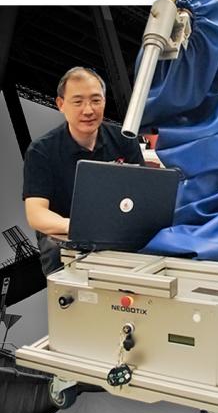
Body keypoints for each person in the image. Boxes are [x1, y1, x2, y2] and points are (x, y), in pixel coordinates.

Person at [21, 67, 145, 275]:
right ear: (61, 104)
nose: (88, 110)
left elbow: (142, 193)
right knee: (55, 251)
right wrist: (82, 226)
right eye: (78, 102)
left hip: (117, 227)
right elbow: (36, 215)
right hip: (66, 232)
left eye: (96, 100)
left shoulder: (124, 139)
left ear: (104, 101)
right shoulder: (41, 151)